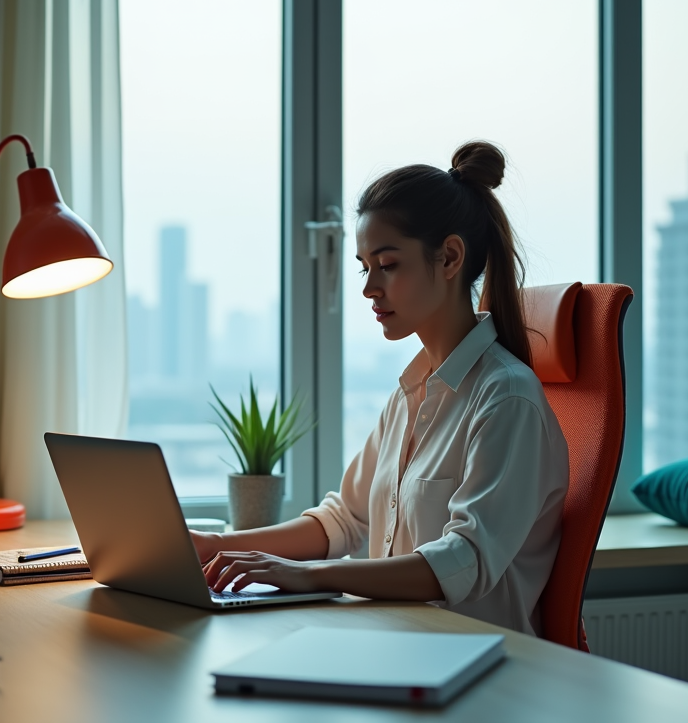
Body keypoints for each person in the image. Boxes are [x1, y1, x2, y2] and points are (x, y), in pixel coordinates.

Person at [192, 141, 569, 637]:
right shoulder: (409, 396)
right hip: (389, 643)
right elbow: (345, 520)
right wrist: (213, 548)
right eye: (364, 266)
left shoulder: (507, 399)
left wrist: (306, 576)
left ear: (450, 257)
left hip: (473, 667)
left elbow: (466, 560)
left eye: (387, 264)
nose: (369, 287)